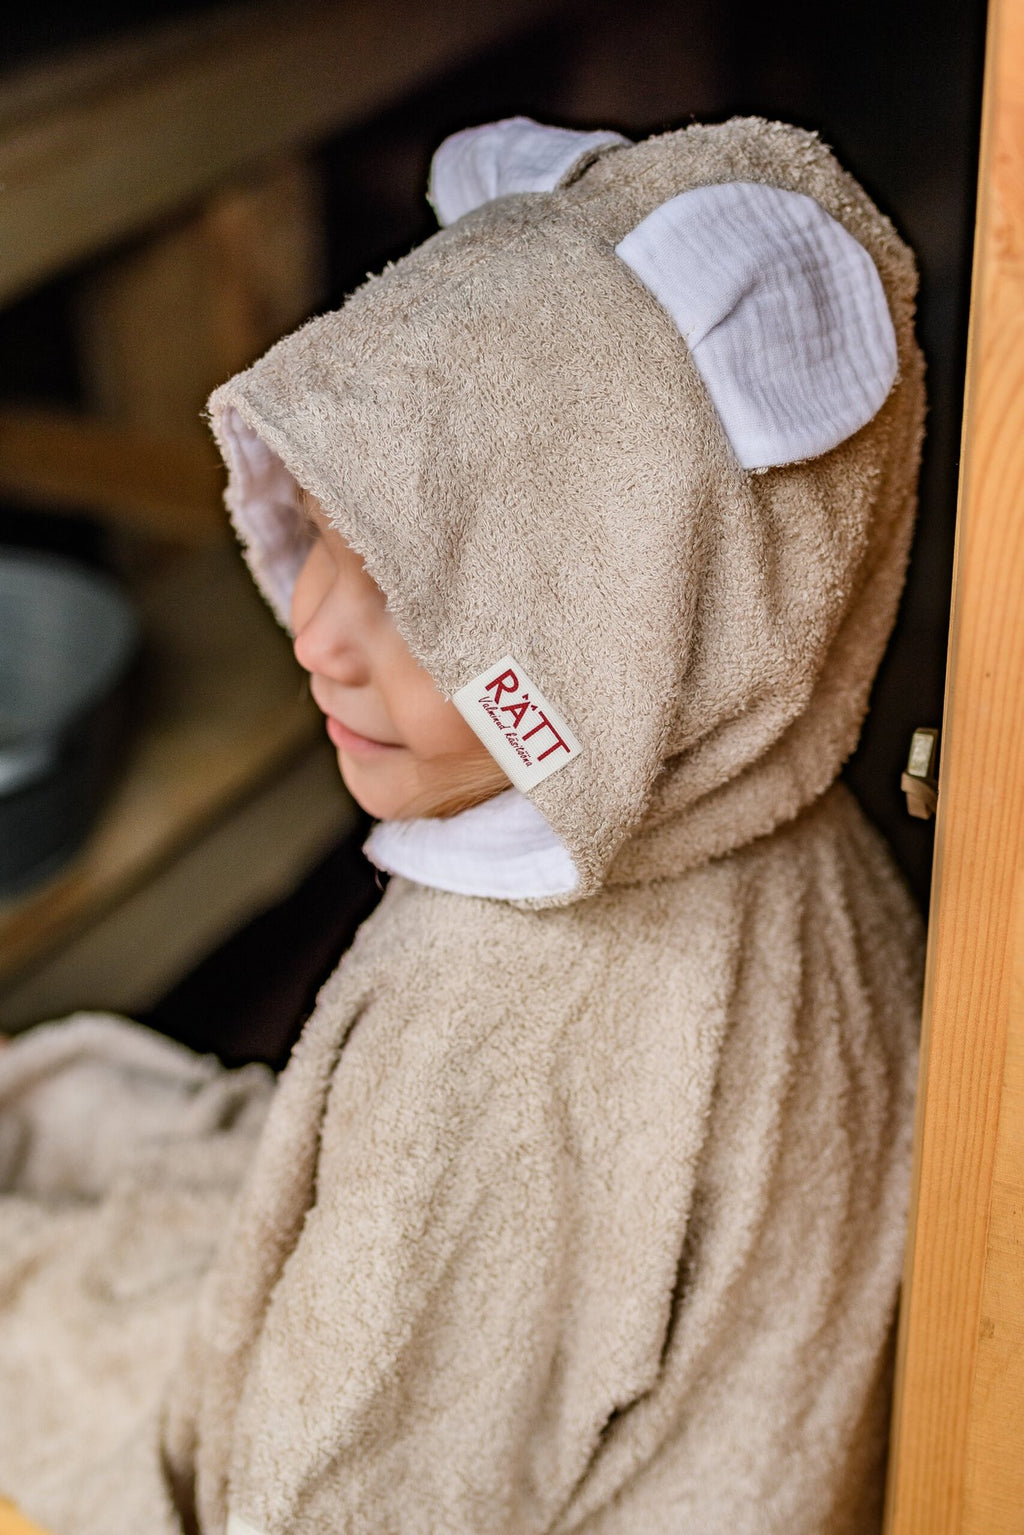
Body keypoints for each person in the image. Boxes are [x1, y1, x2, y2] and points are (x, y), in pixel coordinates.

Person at [0, 114, 925, 1535]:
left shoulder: (491, 1033)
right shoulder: (795, 824)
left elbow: (344, 1492)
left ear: (637, 629)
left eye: (429, 601)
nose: (315, 630)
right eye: (322, 528)